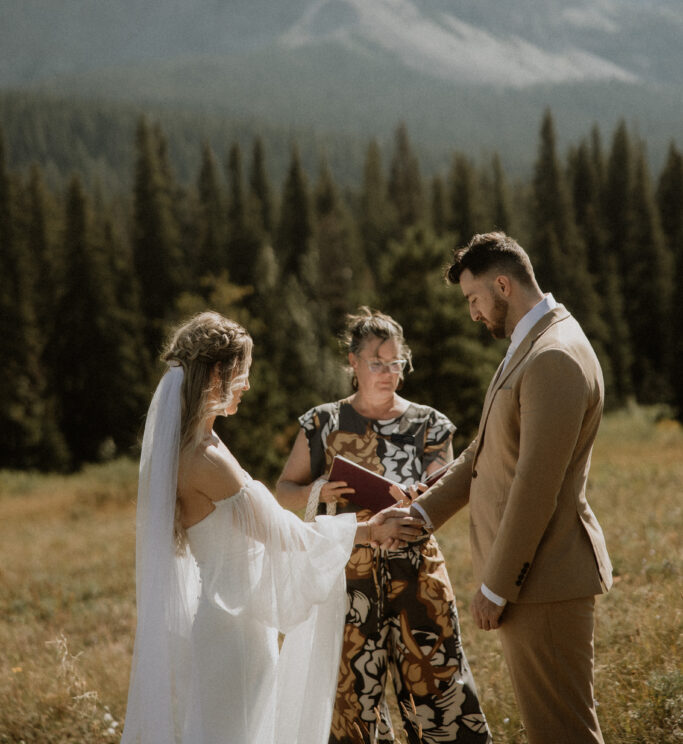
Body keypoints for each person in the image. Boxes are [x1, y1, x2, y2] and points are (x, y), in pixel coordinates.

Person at [120, 311, 422, 744]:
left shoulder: (193, 447)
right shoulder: (206, 458)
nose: (247, 384)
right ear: (217, 374)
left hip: (225, 618)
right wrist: (369, 531)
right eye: (242, 373)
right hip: (235, 632)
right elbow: (282, 534)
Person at [398, 232, 612, 744]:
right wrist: (422, 514)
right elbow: (486, 450)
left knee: (563, 732)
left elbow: (535, 487)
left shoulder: (552, 357)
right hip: (537, 583)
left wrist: (496, 585)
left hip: (544, 580)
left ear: (502, 284)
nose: (473, 313)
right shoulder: (532, 343)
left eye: (474, 299)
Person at [276, 307, 491, 744]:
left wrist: (421, 495)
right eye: (377, 363)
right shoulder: (323, 422)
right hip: (345, 580)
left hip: (418, 577)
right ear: (353, 363)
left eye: (396, 363)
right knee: (352, 700)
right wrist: (318, 491)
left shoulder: (430, 424)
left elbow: (444, 485)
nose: (389, 373)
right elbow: (283, 489)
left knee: (439, 688)